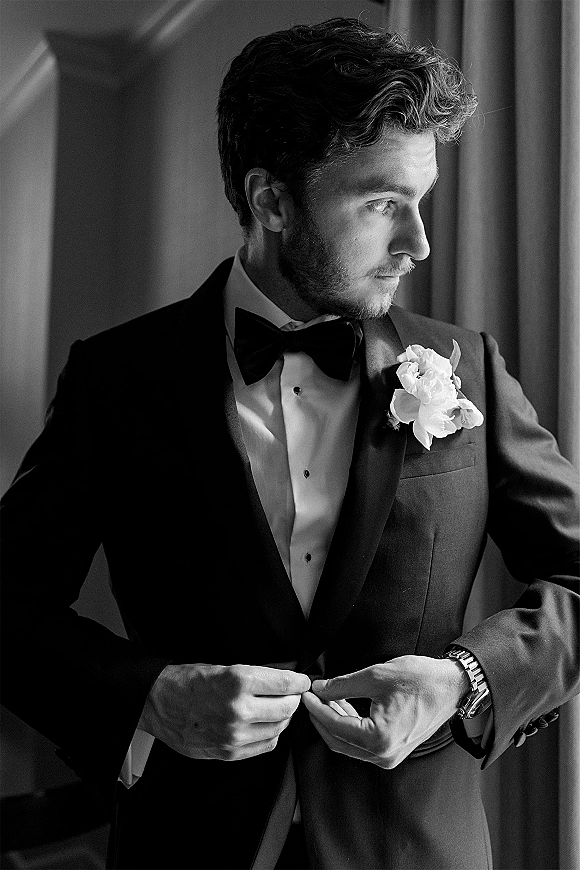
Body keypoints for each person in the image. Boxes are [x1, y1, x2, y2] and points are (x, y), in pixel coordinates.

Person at [1, 17, 578, 870]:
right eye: (383, 203)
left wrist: (465, 680)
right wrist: (152, 696)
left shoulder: (468, 368)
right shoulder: (116, 380)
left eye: (423, 202)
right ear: (271, 199)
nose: (418, 244)